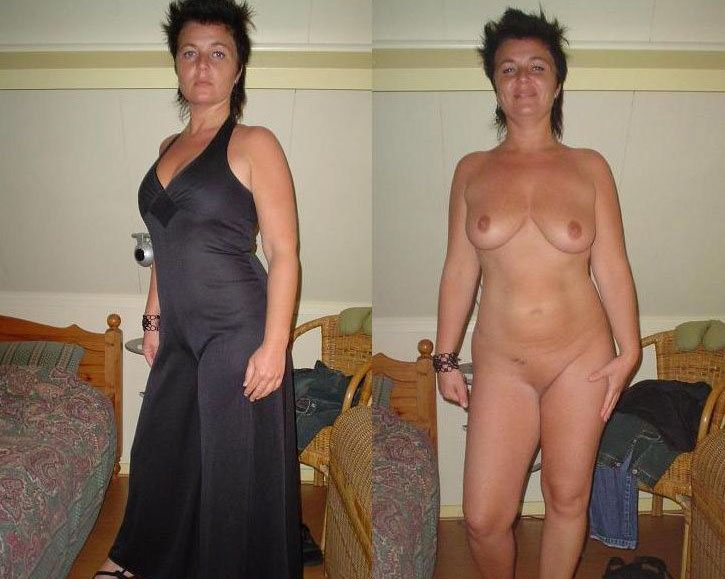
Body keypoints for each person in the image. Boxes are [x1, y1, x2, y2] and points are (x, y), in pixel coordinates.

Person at [94, 1, 302, 577]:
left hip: (237, 329)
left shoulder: (255, 143)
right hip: (180, 330)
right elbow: (163, 241)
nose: (202, 66)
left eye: (217, 53)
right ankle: (139, 558)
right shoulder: (168, 147)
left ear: (238, 69)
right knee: (161, 450)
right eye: (189, 53)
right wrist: (153, 317)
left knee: (231, 471)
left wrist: (275, 345)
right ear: (176, 65)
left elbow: (284, 253)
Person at [434, 8, 640, 579]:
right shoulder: (471, 170)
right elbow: (458, 269)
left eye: (536, 67)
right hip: (502, 363)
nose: (522, 80)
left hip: (581, 358)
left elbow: (613, 265)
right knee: (483, 518)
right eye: (508, 69)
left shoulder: (590, 167)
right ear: (494, 84)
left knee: (566, 497)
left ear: (557, 81)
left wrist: (629, 352)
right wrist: (445, 358)